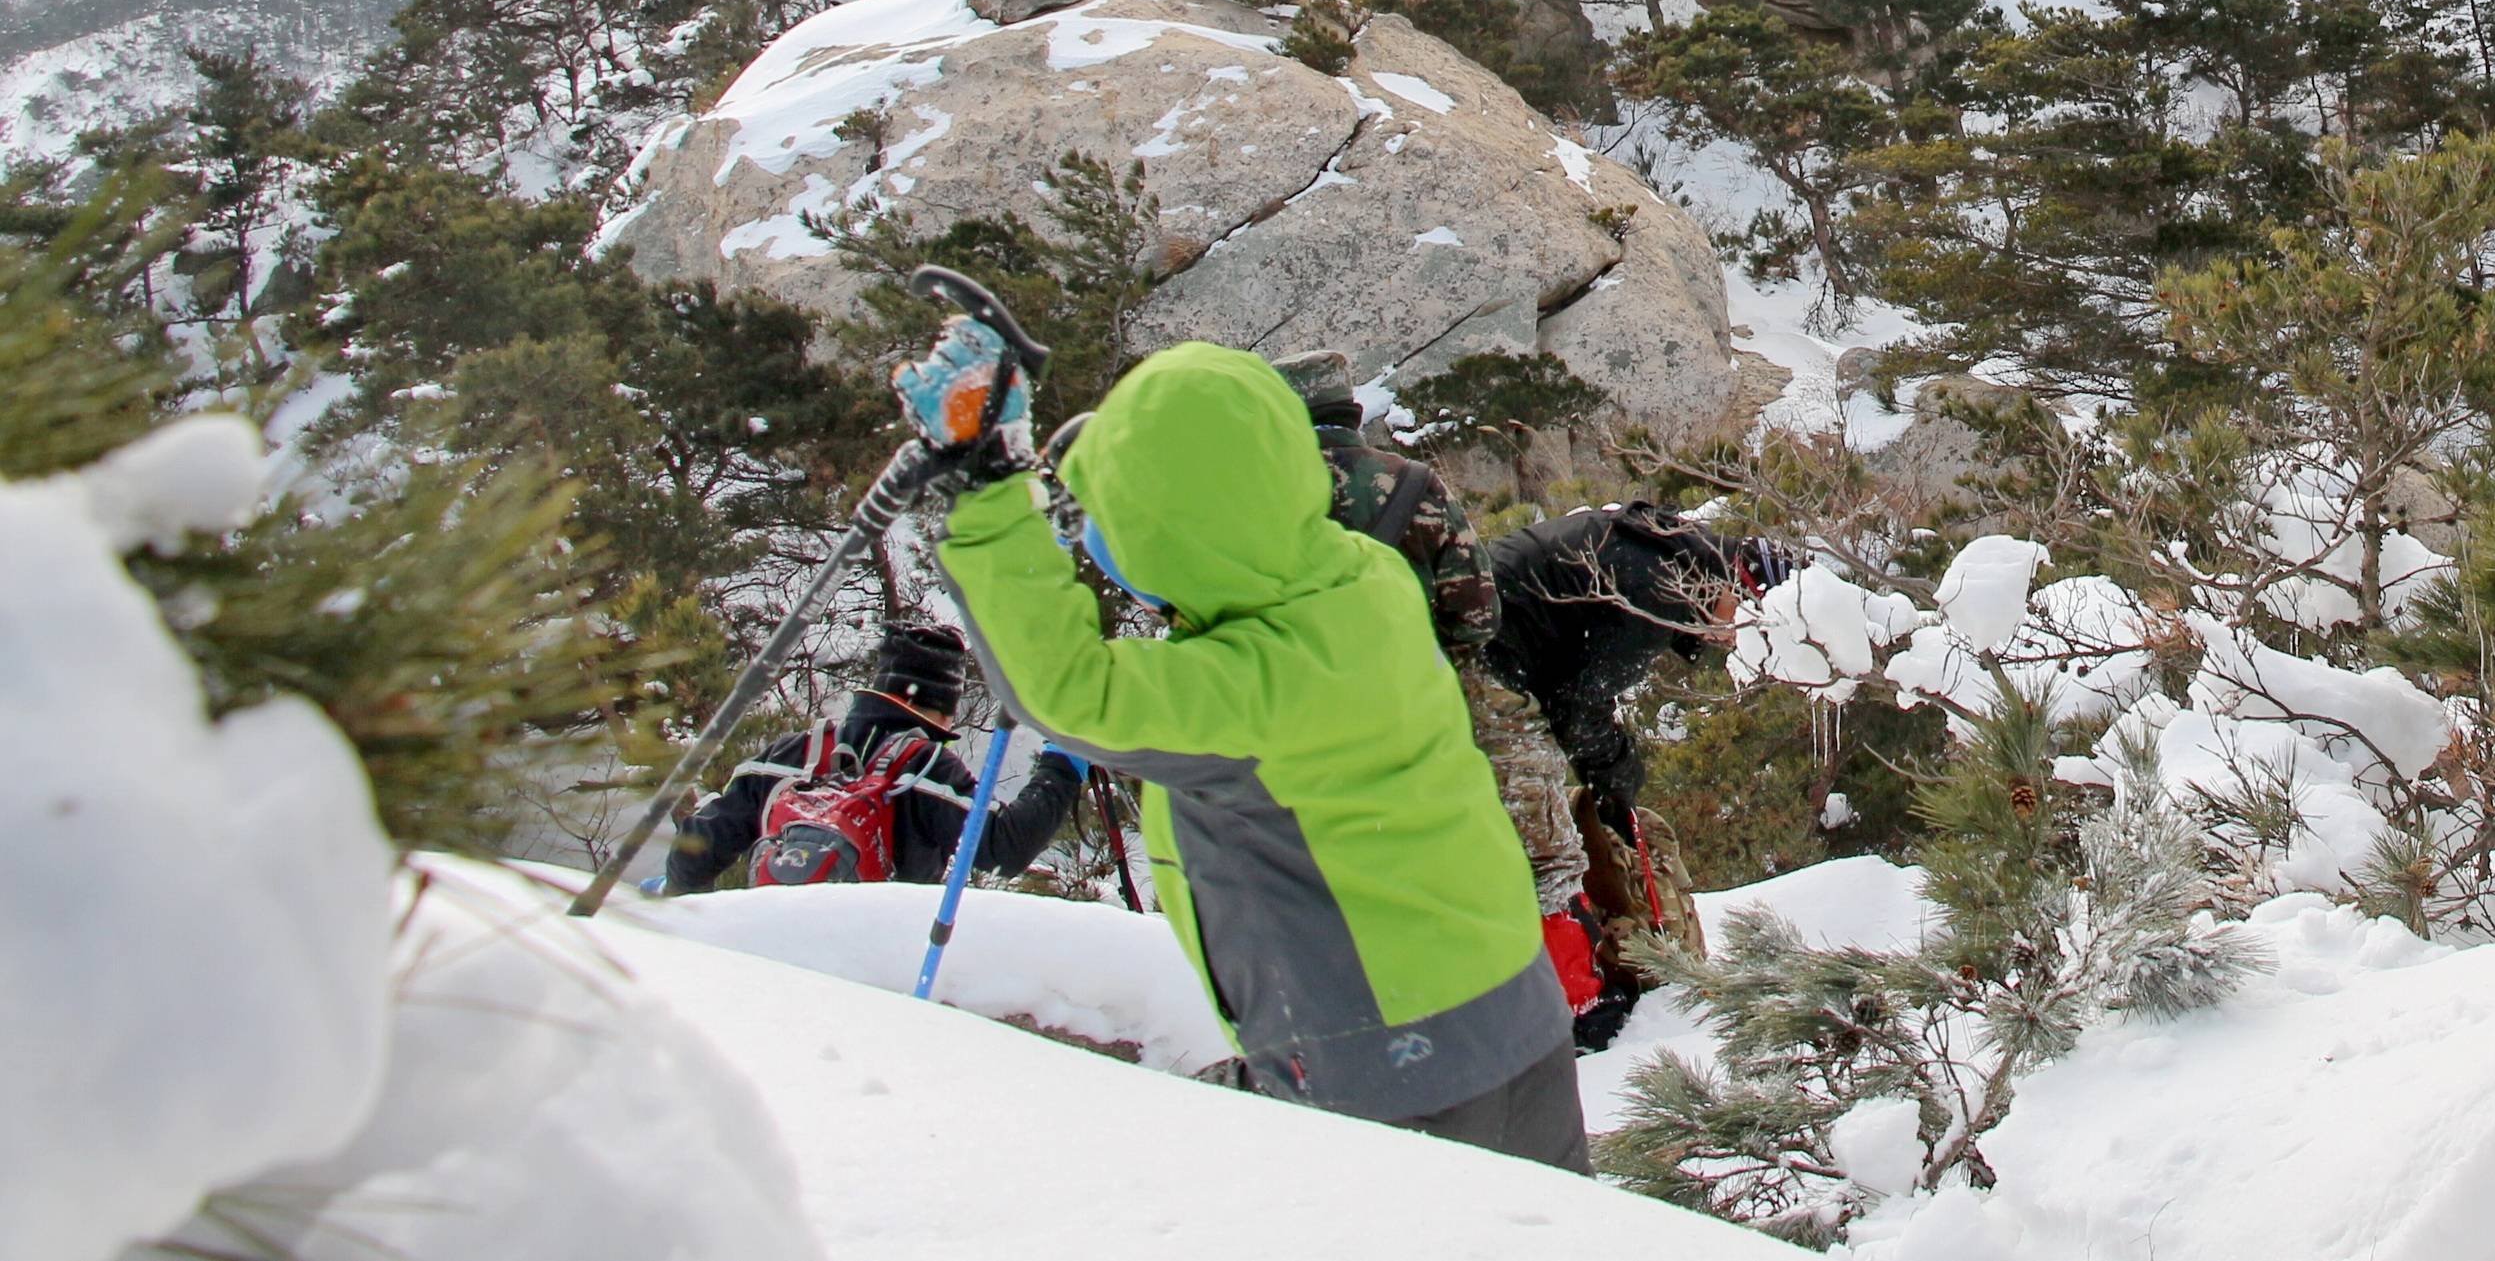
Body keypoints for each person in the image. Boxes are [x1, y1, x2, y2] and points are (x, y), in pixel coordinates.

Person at [902, 327, 1583, 1173]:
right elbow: (1229, 493)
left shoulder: (1249, 690)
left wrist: (990, 497)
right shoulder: (1363, 580)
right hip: (1515, 1011)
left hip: (1384, 1059)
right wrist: (1111, 462)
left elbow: (1067, 688)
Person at [1483, 501, 1793, 1039]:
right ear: (1738, 591)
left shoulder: (1668, 553)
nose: (1734, 640)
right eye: (1746, 624)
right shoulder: (1659, 590)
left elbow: (1576, 687)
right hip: (1482, 658)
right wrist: (1617, 776)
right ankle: (1578, 1011)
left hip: (1484, 641)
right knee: (1543, 841)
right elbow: (1578, 709)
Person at [661, 622, 1083, 894]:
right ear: (940, 709)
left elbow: (694, 847)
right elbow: (1005, 845)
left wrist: (690, 915)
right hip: (867, 960)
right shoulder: (923, 767)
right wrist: (1062, 762)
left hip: (775, 944)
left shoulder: (792, 754)